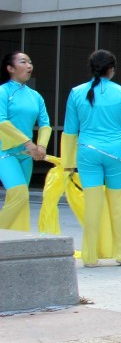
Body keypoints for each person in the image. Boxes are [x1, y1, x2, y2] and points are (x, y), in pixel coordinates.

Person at [61, 50, 121, 267]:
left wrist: (67, 163)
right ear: (112, 69)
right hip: (116, 152)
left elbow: (70, 131)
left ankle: (90, 257)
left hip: (86, 152)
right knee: (117, 205)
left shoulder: (76, 92)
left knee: (92, 206)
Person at [0, 51, 51, 230]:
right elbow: (1, 121)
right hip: (5, 152)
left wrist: (42, 146)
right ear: (10, 68)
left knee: (20, 200)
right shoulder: (3, 91)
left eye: (30, 62)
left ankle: (16, 240)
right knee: (19, 193)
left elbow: (45, 124)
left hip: (25, 155)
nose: (29, 65)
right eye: (23, 62)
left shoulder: (36, 96)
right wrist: (28, 143)